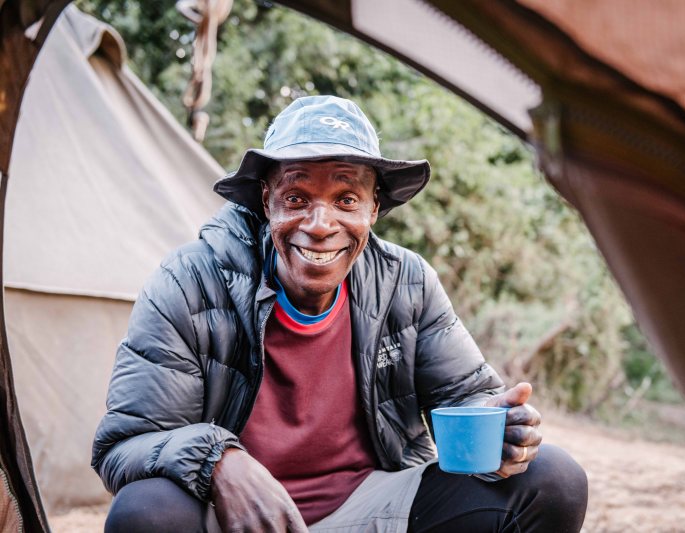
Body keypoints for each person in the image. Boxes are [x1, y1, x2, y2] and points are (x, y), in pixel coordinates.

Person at [92, 95, 588, 532]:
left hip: (374, 509)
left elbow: (468, 399)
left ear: (374, 208)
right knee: (146, 511)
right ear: (267, 201)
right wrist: (219, 460)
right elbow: (126, 445)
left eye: (346, 199)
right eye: (297, 198)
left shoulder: (406, 282)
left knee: (553, 481)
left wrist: (501, 430)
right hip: (239, 519)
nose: (320, 224)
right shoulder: (189, 283)